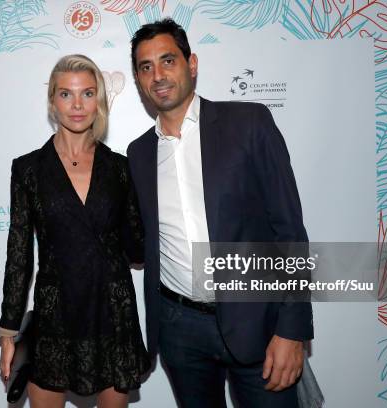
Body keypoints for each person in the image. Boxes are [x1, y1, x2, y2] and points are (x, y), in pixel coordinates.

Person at [126, 18, 314, 407]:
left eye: (167, 61)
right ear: (139, 80)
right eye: (146, 67)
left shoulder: (248, 123)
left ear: (191, 64)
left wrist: (293, 330)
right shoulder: (138, 153)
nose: (158, 75)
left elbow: (289, 231)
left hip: (258, 323)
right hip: (180, 330)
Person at [0, 54, 150, 408]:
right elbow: (19, 255)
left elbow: (137, 248)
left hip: (112, 314)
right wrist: (8, 332)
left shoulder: (121, 168)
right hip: (56, 318)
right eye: (66, 94)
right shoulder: (29, 170)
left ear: (100, 100)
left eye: (87, 93)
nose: (77, 105)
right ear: (52, 101)